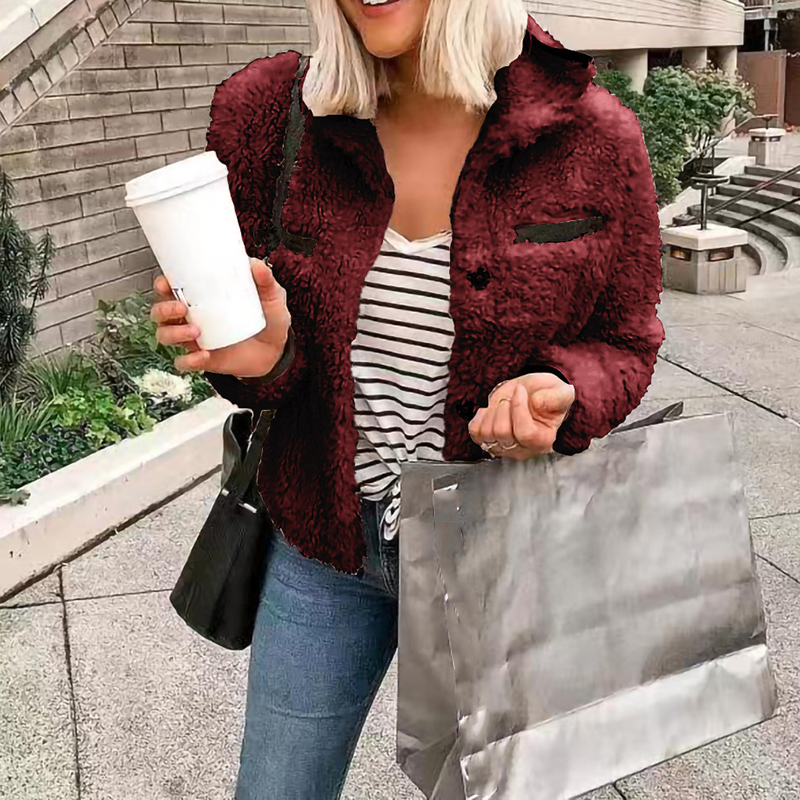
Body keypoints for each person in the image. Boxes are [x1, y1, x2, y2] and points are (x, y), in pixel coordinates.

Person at [149, 0, 665, 796]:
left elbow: (626, 341)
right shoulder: (274, 118)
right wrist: (264, 357)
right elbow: (254, 358)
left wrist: (563, 392)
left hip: (498, 556)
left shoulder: (593, 138)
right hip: (324, 546)